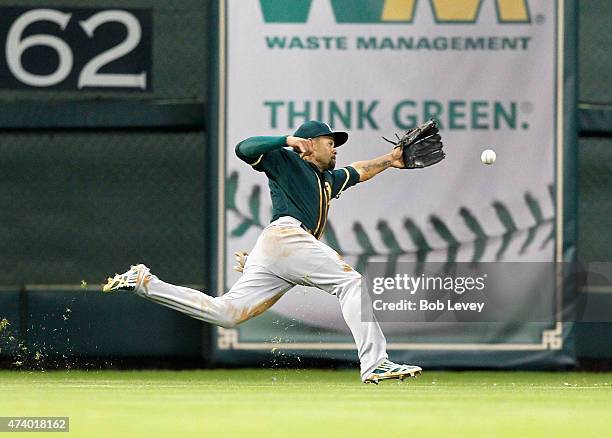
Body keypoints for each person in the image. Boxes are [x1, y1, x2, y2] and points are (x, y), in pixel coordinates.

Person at [103, 120, 423, 384]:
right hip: (286, 236)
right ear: (310, 145)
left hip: (278, 249)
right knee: (350, 283)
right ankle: (375, 362)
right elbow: (244, 148)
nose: (335, 147)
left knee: (226, 313)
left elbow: (359, 170)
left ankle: (145, 283)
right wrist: (287, 140)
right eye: (329, 142)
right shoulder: (287, 162)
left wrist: (391, 159)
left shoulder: (326, 181)